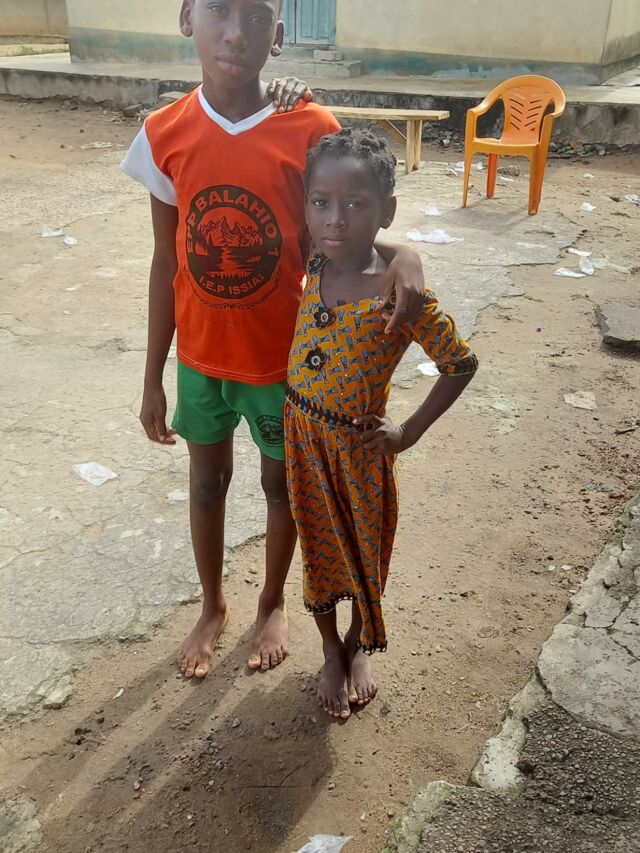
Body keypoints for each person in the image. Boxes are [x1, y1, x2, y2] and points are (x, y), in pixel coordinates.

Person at [121, 0, 426, 681]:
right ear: (187, 19)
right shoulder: (163, 132)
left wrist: (401, 252)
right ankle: (212, 605)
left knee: (280, 486)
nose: (237, 32)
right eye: (219, 11)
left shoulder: (310, 128)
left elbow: (347, 225)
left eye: (258, 17)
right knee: (207, 483)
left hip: (287, 364)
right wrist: (152, 376)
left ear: (279, 36)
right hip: (201, 358)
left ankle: (271, 602)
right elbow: (166, 261)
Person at [286, 128, 479, 719]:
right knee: (319, 553)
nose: (335, 219)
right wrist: (406, 249)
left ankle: (356, 646)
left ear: (386, 211)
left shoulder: (400, 295)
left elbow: (460, 363)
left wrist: (408, 433)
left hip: (360, 454)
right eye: (321, 202)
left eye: (356, 204)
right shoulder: (316, 259)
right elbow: (340, 229)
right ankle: (329, 648)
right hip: (305, 445)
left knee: (365, 557)